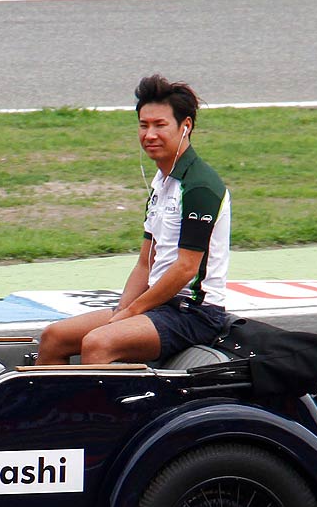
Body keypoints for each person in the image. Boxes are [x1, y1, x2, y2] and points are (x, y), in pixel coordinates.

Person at [36, 74, 231, 365]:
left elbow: (185, 268)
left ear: (186, 126)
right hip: (158, 304)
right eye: (144, 125)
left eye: (160, 125)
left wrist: (131, 312)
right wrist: (123, 309)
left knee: (98, 343)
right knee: (54, 336)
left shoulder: (200, 186)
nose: (149, 134)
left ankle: (96, 412)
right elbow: (145, 262)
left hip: (194, 312)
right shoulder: (161, 183)